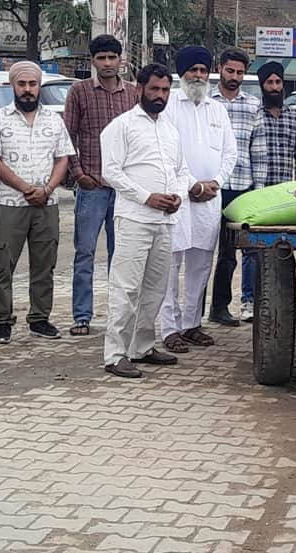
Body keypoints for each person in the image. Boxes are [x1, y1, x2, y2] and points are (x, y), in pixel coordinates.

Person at [101, 63, 187, 378]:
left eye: (165, 90)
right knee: (126, 287)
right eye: (154, 89)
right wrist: (146, 196)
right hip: (134, 218)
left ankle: (142, 347)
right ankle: (115, 355)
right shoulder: (121, 126)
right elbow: (110, 172)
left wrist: (178, 195)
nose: (160, 95)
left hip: (165, 220)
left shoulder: (170, 129)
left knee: (155, 288)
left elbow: (182, 171)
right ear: (140, 88)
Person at [0, 61, 75, 344]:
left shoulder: (54, 120)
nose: (27, 90)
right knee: (3, 264)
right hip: (11, 203)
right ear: (12, 86)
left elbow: (63, 158)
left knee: (45, 264)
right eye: (21, 84)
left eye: (32, 84)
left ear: (39, 86)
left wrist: (46, 189)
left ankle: (39, 318)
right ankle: (2, 321)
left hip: (46, 203)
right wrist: (25, 188)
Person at [158, 46, 237, 354]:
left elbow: (230, 153)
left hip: (209, 199)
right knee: (170, 264)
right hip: (178, 197)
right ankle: (169, 328)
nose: (199, 75)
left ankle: (192, 324)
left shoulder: (217, 109)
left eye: (203, 70)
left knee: (201, 264)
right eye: (193, 70)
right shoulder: (169, 106)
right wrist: (191, 185)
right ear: (182, 73)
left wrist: (215, 183)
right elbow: (166, 152)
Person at [64, 34, 139, 337]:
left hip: (123, 189)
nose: (107, 64)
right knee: (84, 253)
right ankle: (82, 316)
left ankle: (117, 317)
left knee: (119, 255)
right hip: (92, 185)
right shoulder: (79, 92)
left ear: (121, 59)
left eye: (112, 57)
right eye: (101, 58)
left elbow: (140, 138)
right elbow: (66, 137)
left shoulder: (133, 94)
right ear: (92, 61)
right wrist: (79, 173)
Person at [209, 47, 262, 326]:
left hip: (242, 187)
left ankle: (227, 306)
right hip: (209, 188)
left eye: (240, 72)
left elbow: (258, 150)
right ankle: (207, 310)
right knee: (205, 252)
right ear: (220, 68)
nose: (234, 77)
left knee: (238, 252)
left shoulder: (253, 106)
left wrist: (258, 189)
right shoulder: (206, 102)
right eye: (230, 71)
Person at [249, 61, 296, 189]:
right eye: (269, 82)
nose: (274, 87)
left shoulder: (295, 116)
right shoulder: (254, 115)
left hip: (285, 190)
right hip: (258, 190)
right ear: (262, 85)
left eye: (278, 82)